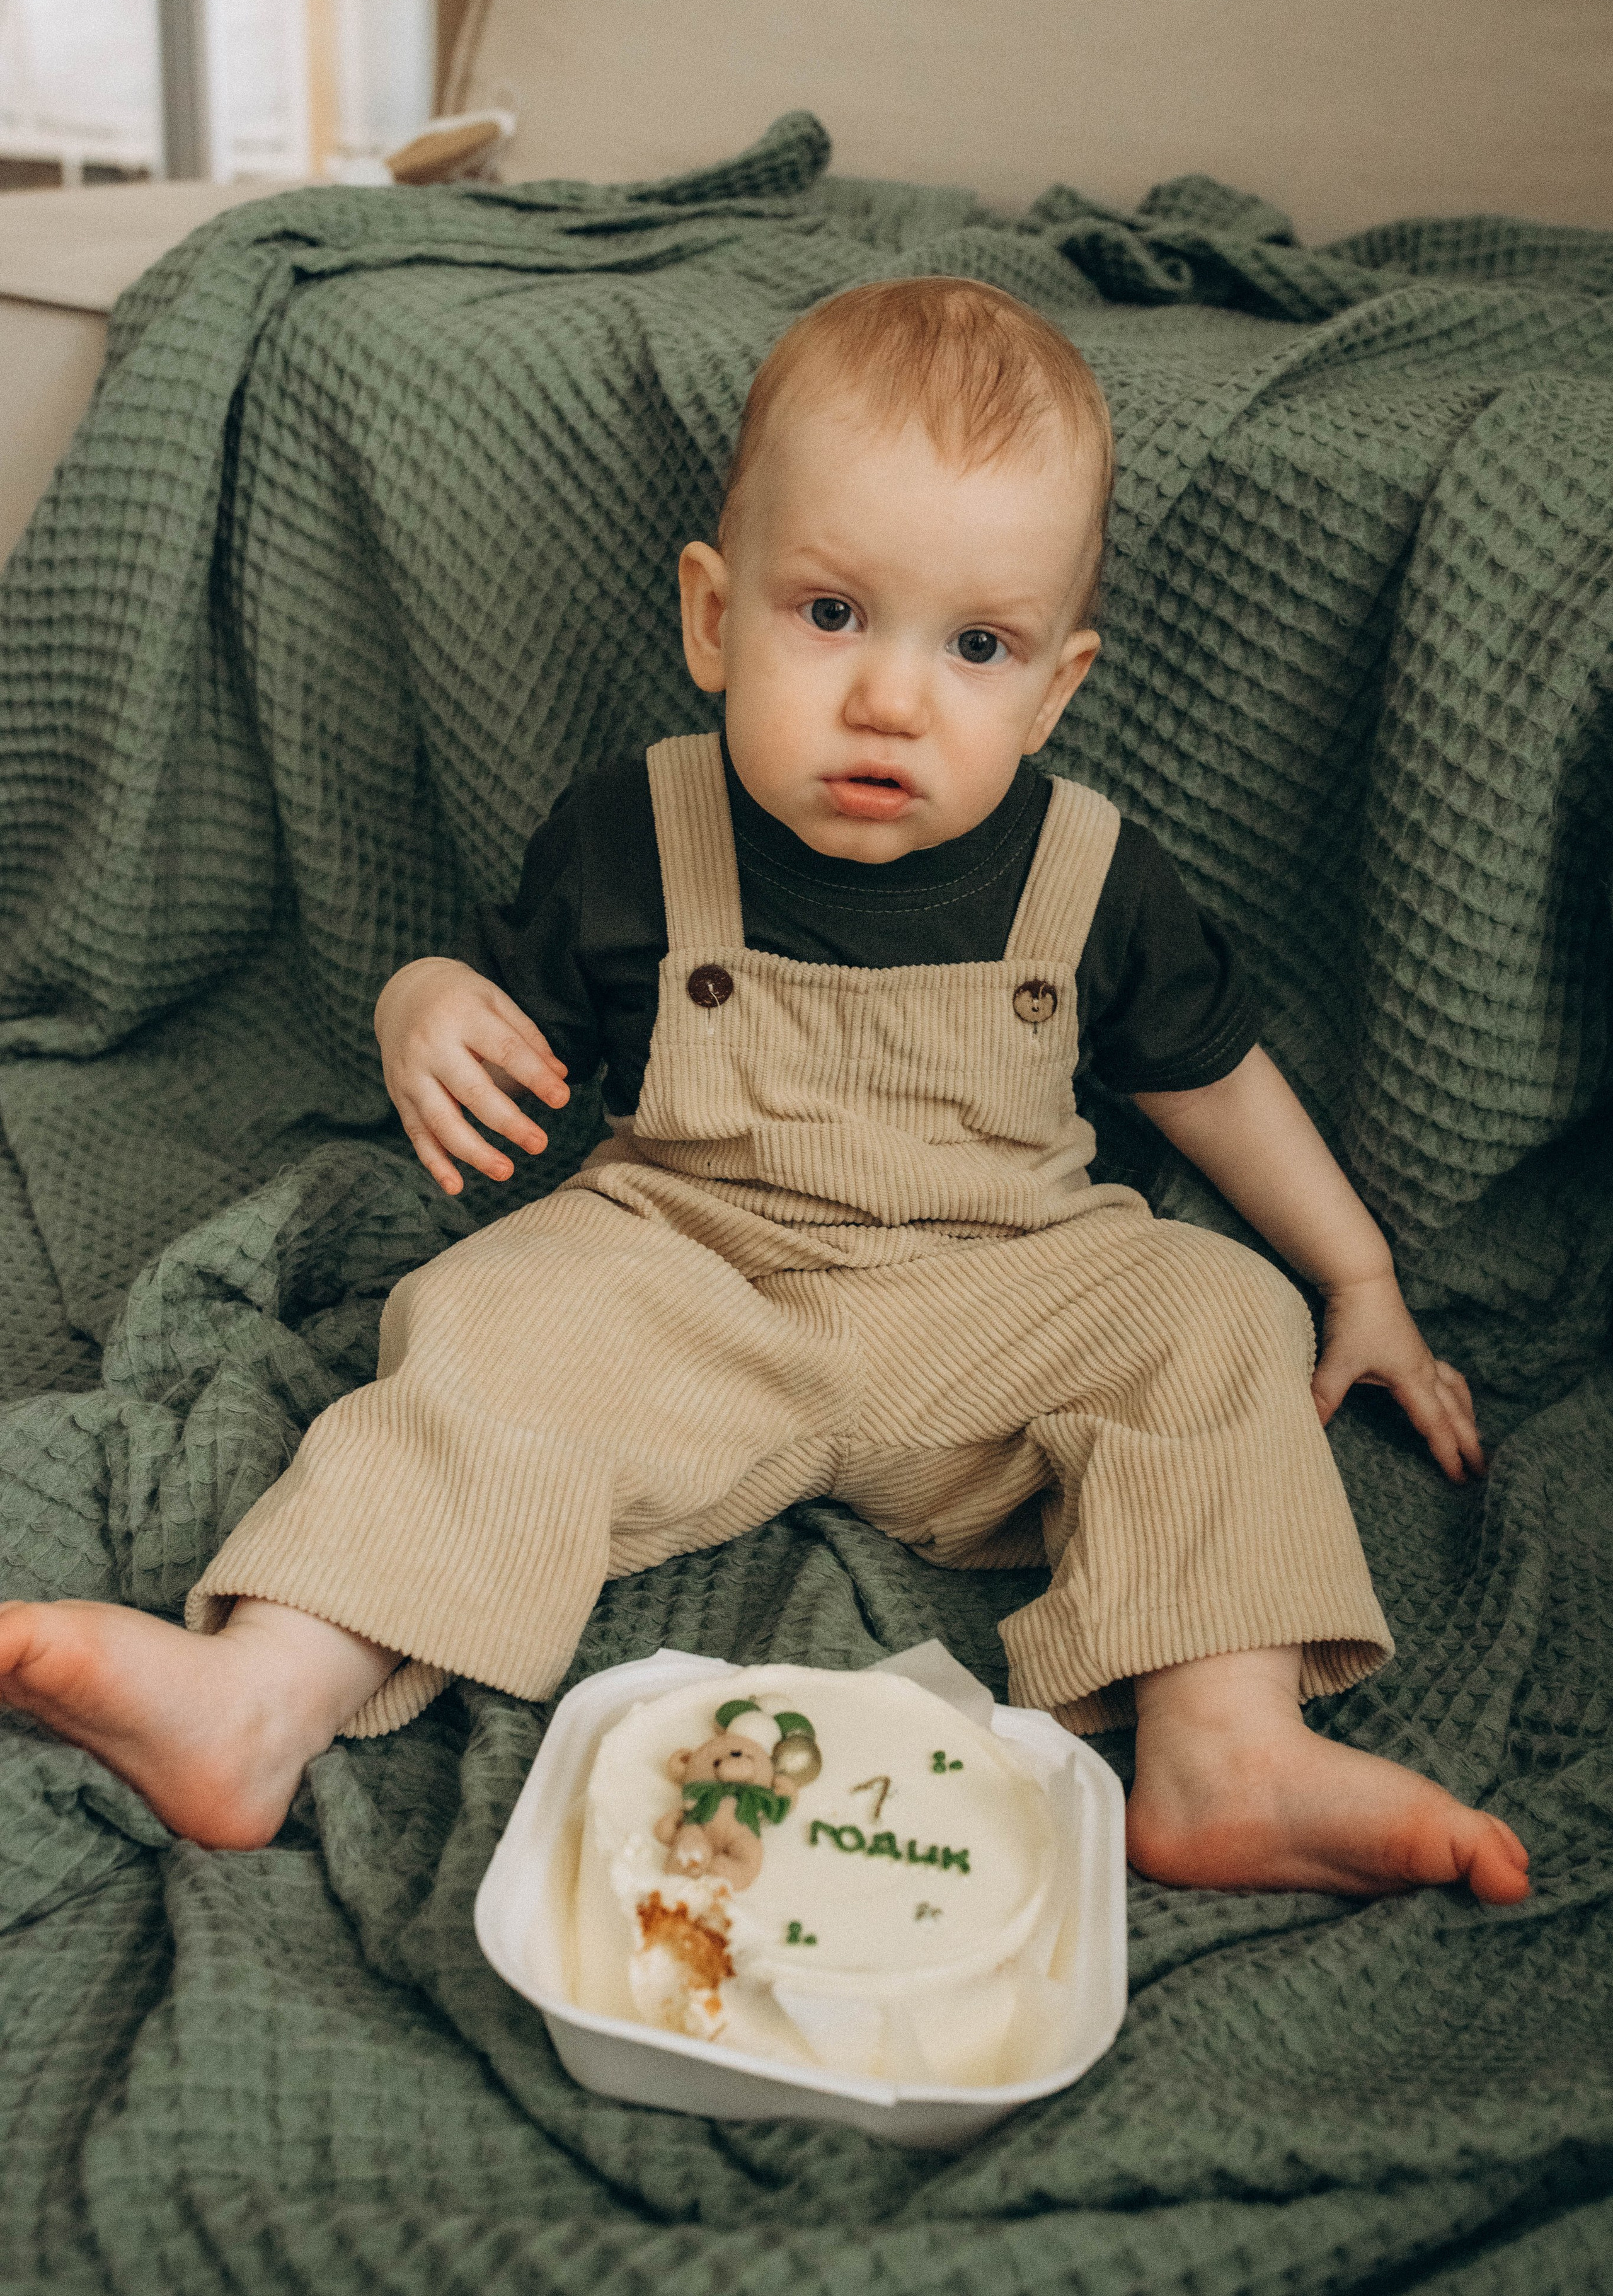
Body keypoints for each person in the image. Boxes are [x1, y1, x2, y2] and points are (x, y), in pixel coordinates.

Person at [0, 278, 1530, 1905]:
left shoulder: (1094, 876)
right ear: (710, 616)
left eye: (977, 647)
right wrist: (419, 1003)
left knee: (1219, 1308)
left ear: (1056, 688)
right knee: (485, 1327)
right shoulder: (632, 831)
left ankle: (1224, 1750)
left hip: (1000, 1301)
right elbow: (499, 1013)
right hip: (692, 1279)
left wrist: (1355, 1274)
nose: (892, 696)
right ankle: (258, 1696)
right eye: (830, 615)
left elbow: (1213, 1082)